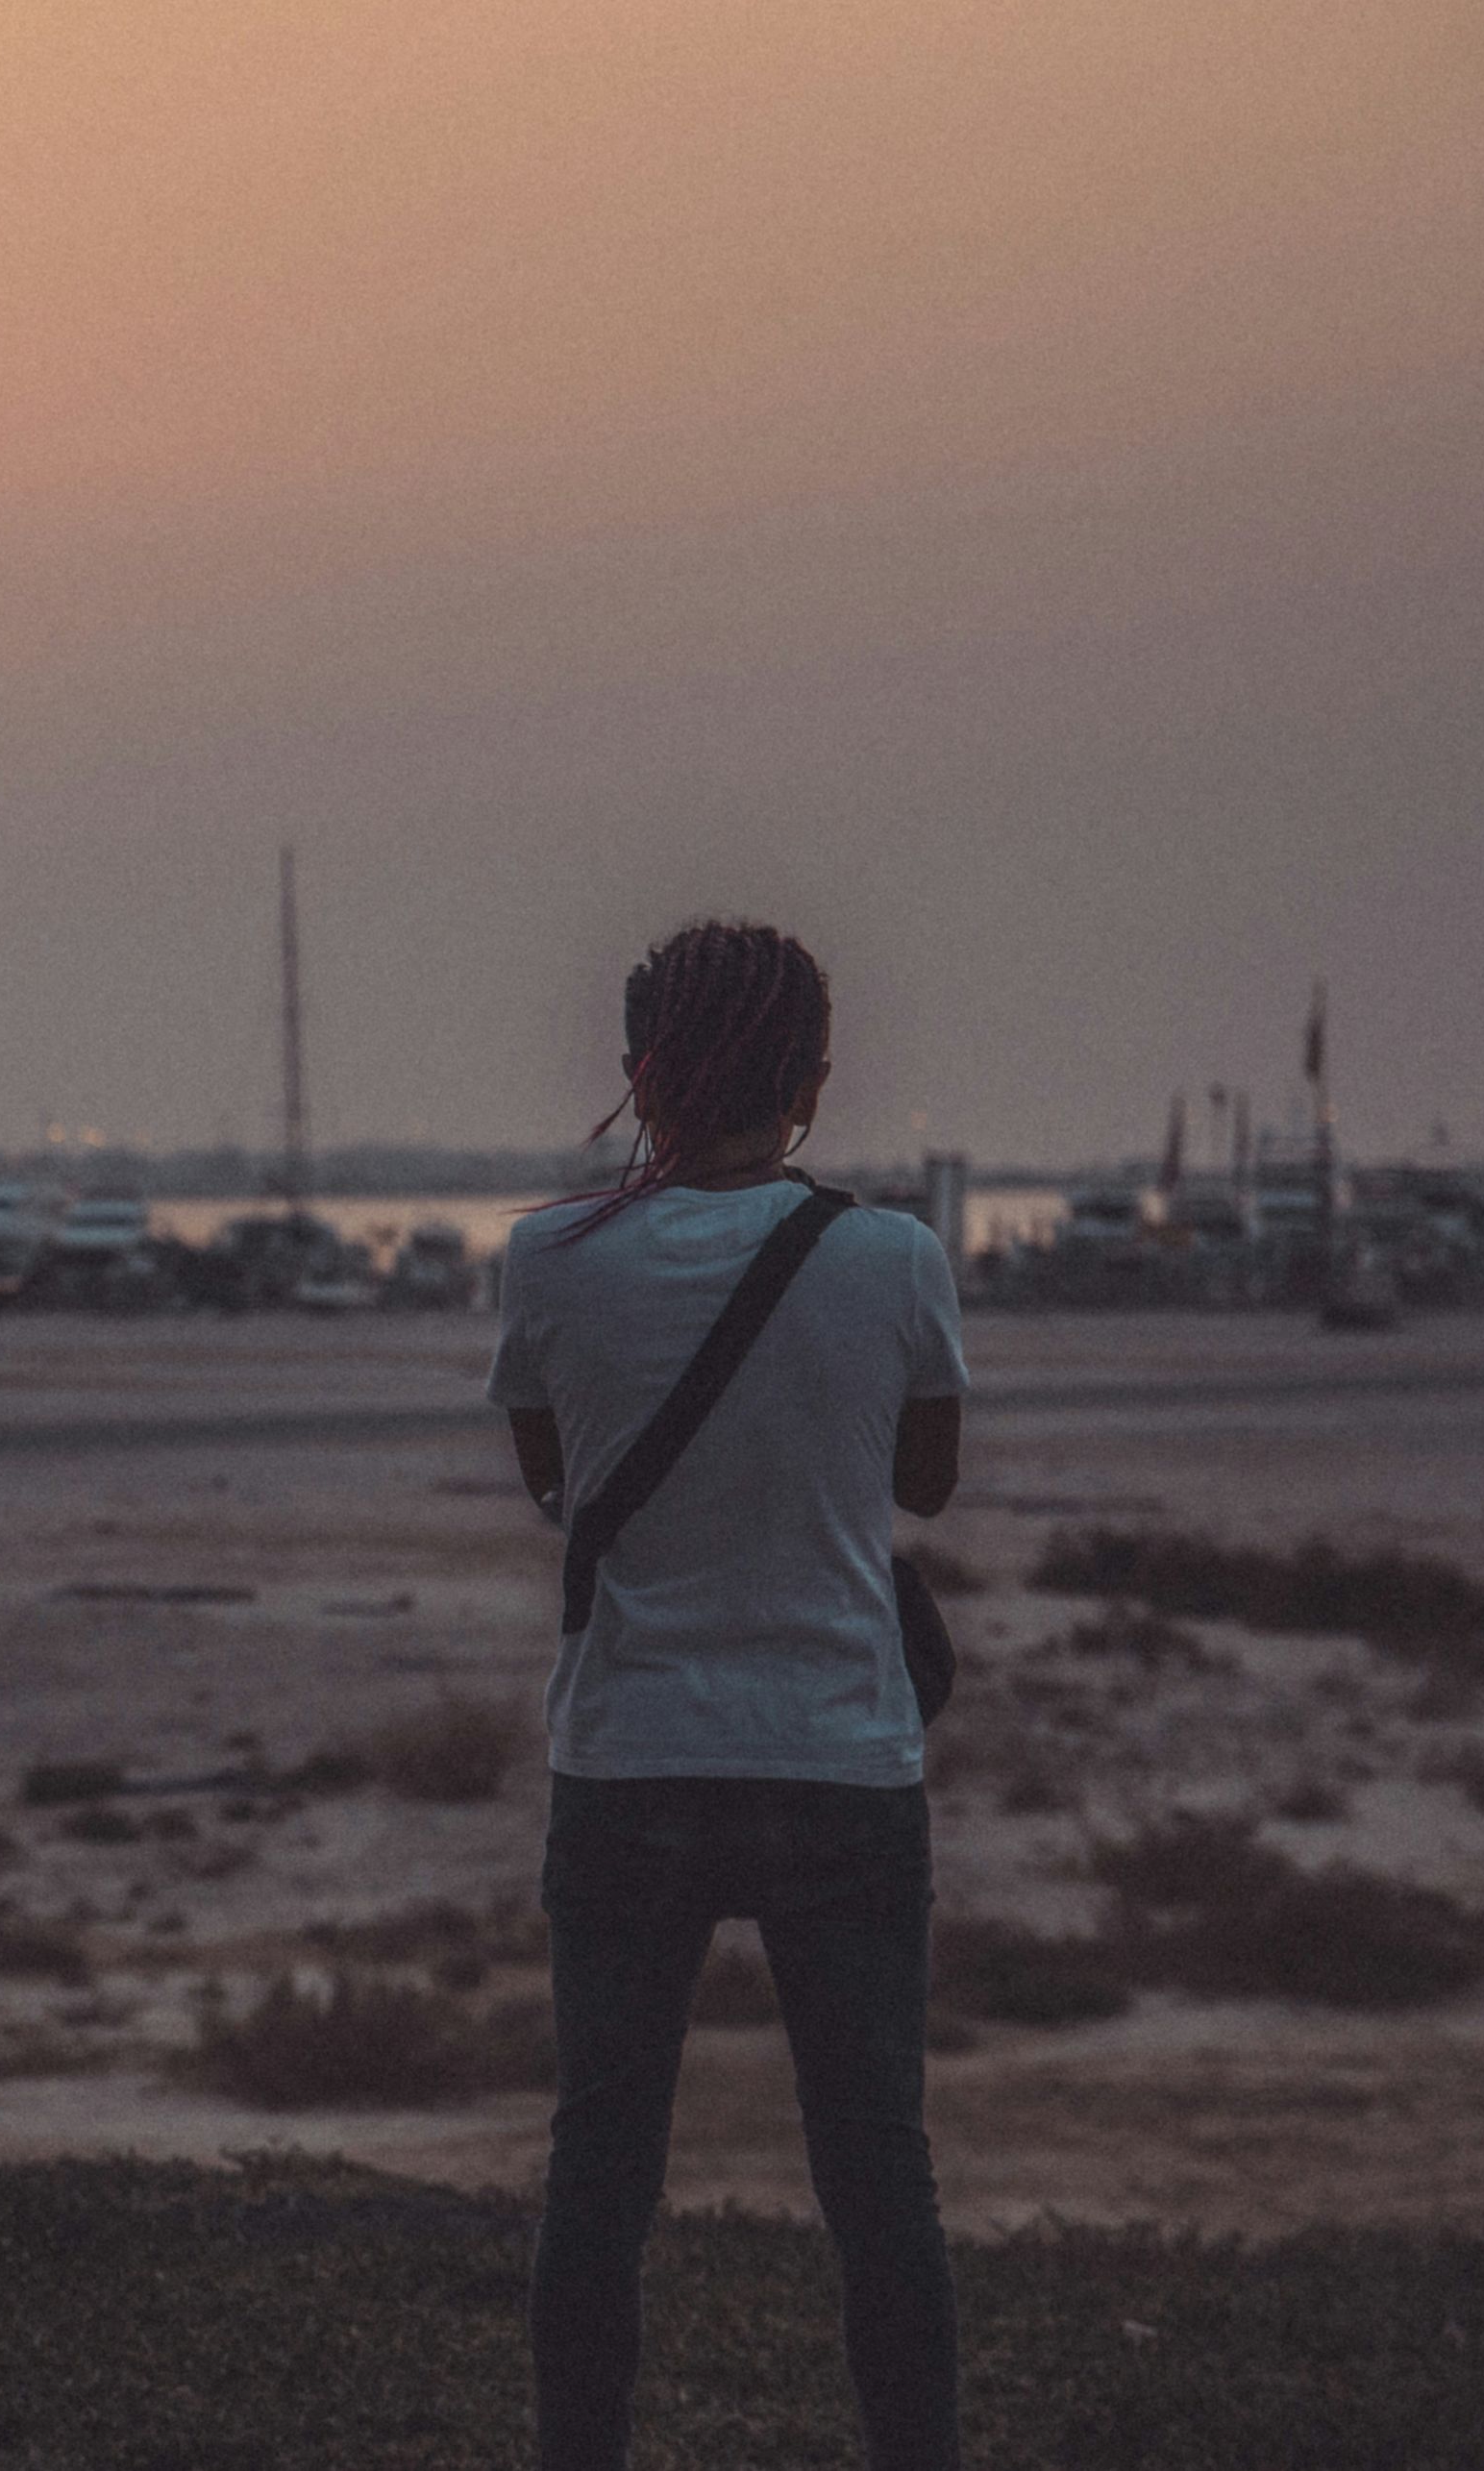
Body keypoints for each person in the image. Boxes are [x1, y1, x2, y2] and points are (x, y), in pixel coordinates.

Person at [487, 920, 967, 2471]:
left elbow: (557, 1481)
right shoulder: (893, 1260)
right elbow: (929, 1486)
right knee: (879, 2174)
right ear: (814, 1080)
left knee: (601, 2166)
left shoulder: (551, 1259)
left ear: (640, 1075)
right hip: (841, 1757)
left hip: (630, 1756)